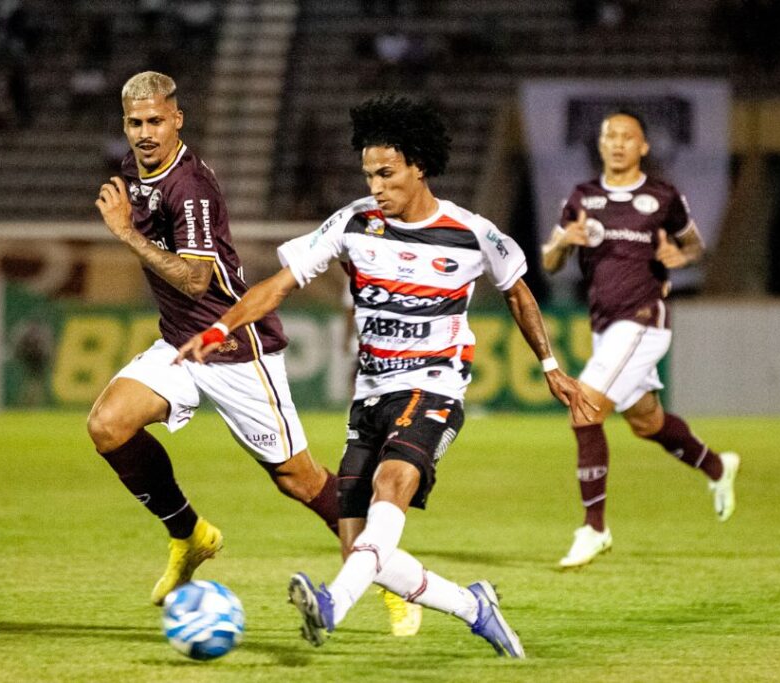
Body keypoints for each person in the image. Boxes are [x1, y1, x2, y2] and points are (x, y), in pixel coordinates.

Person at [177, 95, 593, 656]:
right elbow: (279, 285)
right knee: (363, 553)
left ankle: (329, 606)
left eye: (387, 173)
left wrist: (550, 366)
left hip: (434, 387)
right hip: (370, 395)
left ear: (418, 166)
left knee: (390, 486)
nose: (376, 185)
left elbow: (517, 289)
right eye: (369, 174)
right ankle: (475, 607)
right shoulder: (353, 222)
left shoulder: (471, 233)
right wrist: (216, 330)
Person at [89, 71, 418, 634]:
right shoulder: (133, 172)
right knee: (108, 425)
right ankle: (190, 534)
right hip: (180, 344)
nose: (145, 133)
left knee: (300, 479)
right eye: (135, 123)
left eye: (155, 121)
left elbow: (195, 282)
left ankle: (393, 578)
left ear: (178, 119)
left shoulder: (189, 185)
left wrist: (127, 235)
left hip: (235, 348)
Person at [541, 111, 741, 569]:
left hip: (645, 320)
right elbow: (551, 263)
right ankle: (716, 466)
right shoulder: (582, 197)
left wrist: (680, 254)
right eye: (609, 135)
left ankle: (594, 528)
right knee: (646, 422)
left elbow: (694, 246)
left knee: (584, 407)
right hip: (605, 326)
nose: (616, 143)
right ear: (600, 143)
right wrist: (561, 245)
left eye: (627, 137)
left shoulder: (662, 196)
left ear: (643, 147)